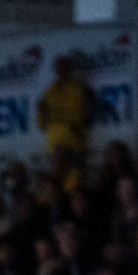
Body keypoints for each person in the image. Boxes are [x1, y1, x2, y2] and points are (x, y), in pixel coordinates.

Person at [39, 55, 95, 191]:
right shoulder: (50, 90)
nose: (62, 70)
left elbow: (92, 104)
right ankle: (58, 194)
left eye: (65, 67)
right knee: (58, 172)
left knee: (75, 172)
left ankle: (74, 194)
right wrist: (45, 125)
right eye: (59, 68)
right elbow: (41, 110)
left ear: (70, 69)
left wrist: (83, 124)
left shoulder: (80, 87)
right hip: (55, 138)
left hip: (74, 137)